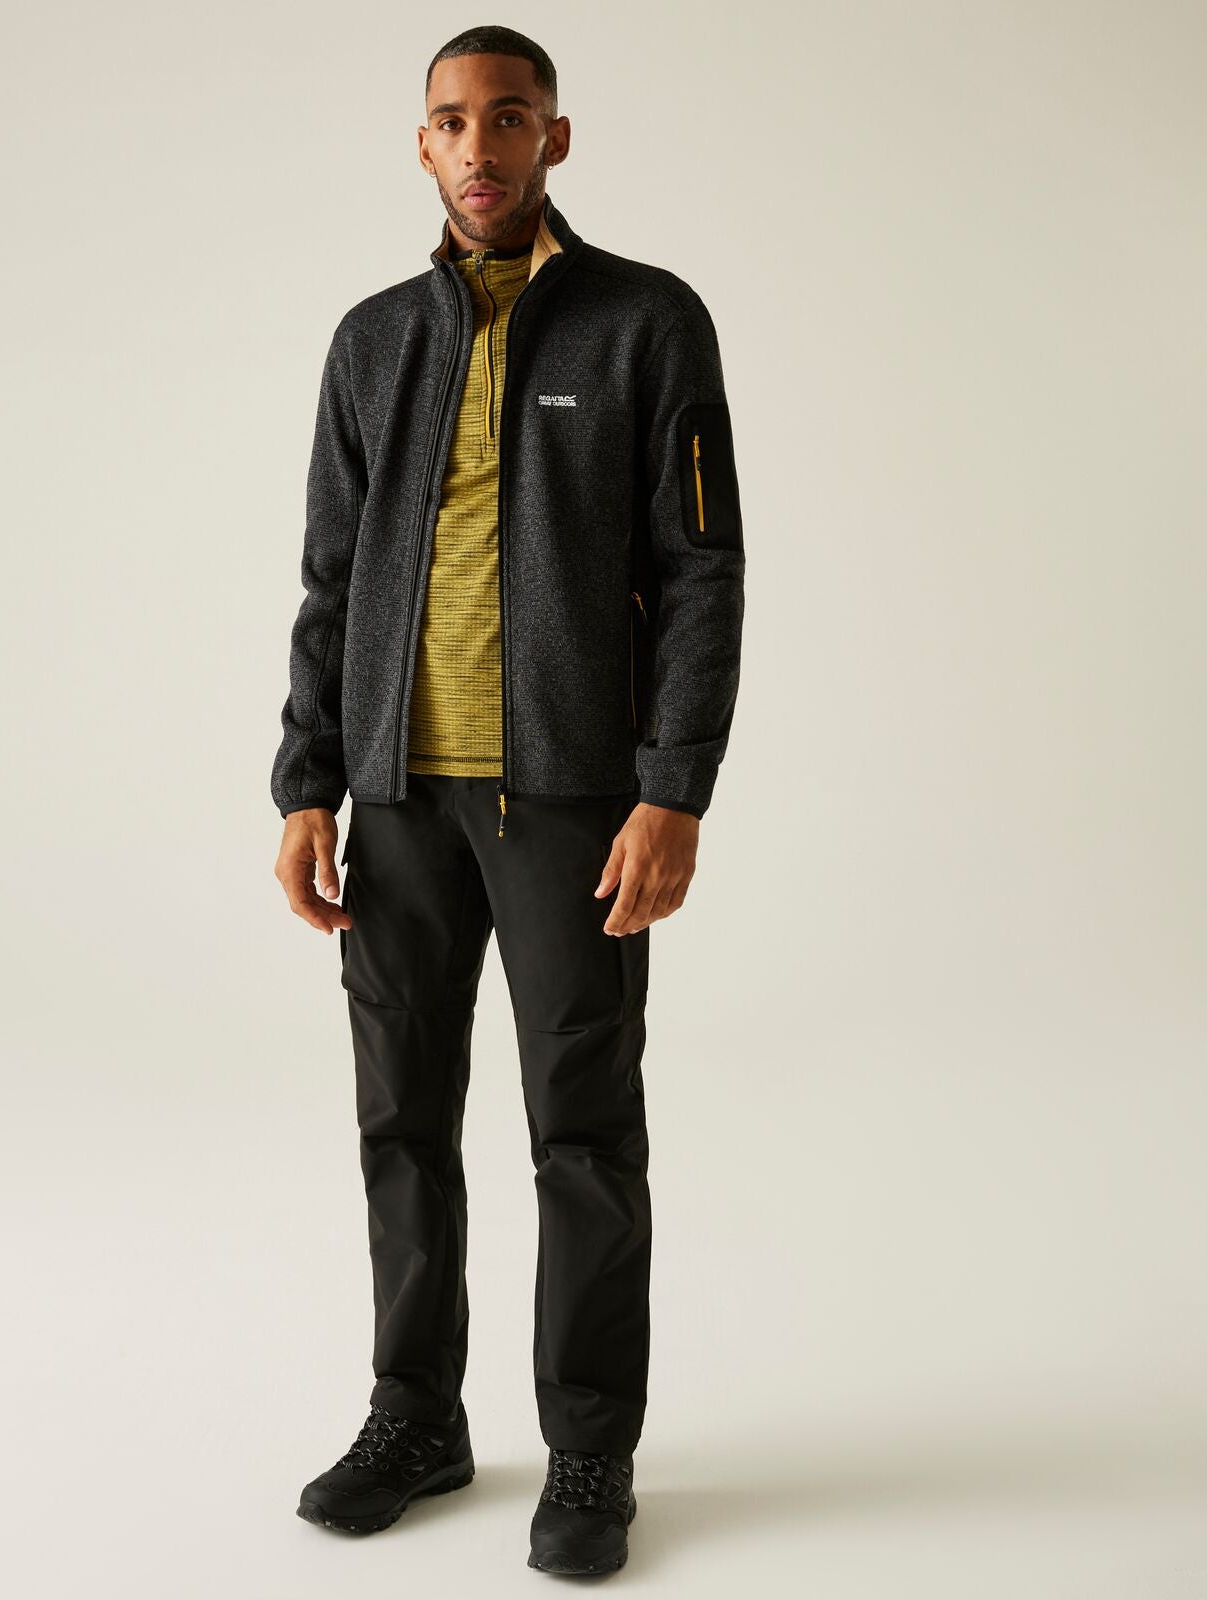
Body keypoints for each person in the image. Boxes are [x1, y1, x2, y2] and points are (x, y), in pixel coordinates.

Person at [270, 24, 745, 1577]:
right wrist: (308, 784)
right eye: (453, 121)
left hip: (571, 801)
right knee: (401, 1118)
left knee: (583, 1130)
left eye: (510, 117)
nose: (480, 144)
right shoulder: (370, 343)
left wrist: (672, 789)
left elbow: (702, 570)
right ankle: (417, 1415)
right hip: (399, 796)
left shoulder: (646, 322)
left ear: (555, 137)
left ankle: (590, 1447)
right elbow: (332, 581)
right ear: (422, 143)